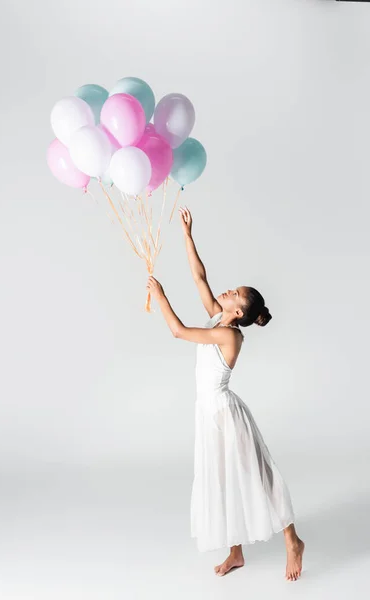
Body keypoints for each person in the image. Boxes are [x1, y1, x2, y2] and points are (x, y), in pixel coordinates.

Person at [146, 206, 305, 581]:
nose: (228, 290)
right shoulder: (220, 315)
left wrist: (161, 295)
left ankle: (293, 539)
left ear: (238, 310)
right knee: (221, 480)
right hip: (207, 413)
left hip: (224, 414)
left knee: (255, 475)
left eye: (235, 293)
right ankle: (236, 551)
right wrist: (187, 235)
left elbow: (179, 332)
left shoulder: (229, 334)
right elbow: (200, 276)